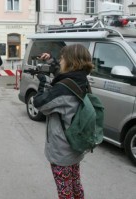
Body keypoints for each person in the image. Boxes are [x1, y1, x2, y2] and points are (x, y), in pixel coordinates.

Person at [33, 44, 94, 199]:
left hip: (62, 150)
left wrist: (42, 82)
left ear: (70, 61)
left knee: (64, 192)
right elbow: (63, 75)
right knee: (75, 184)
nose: (60, 61)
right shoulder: (81, 80)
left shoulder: (62, 88)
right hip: (76, 145)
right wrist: (51, 61)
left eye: (61, 58)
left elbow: (40, 104)